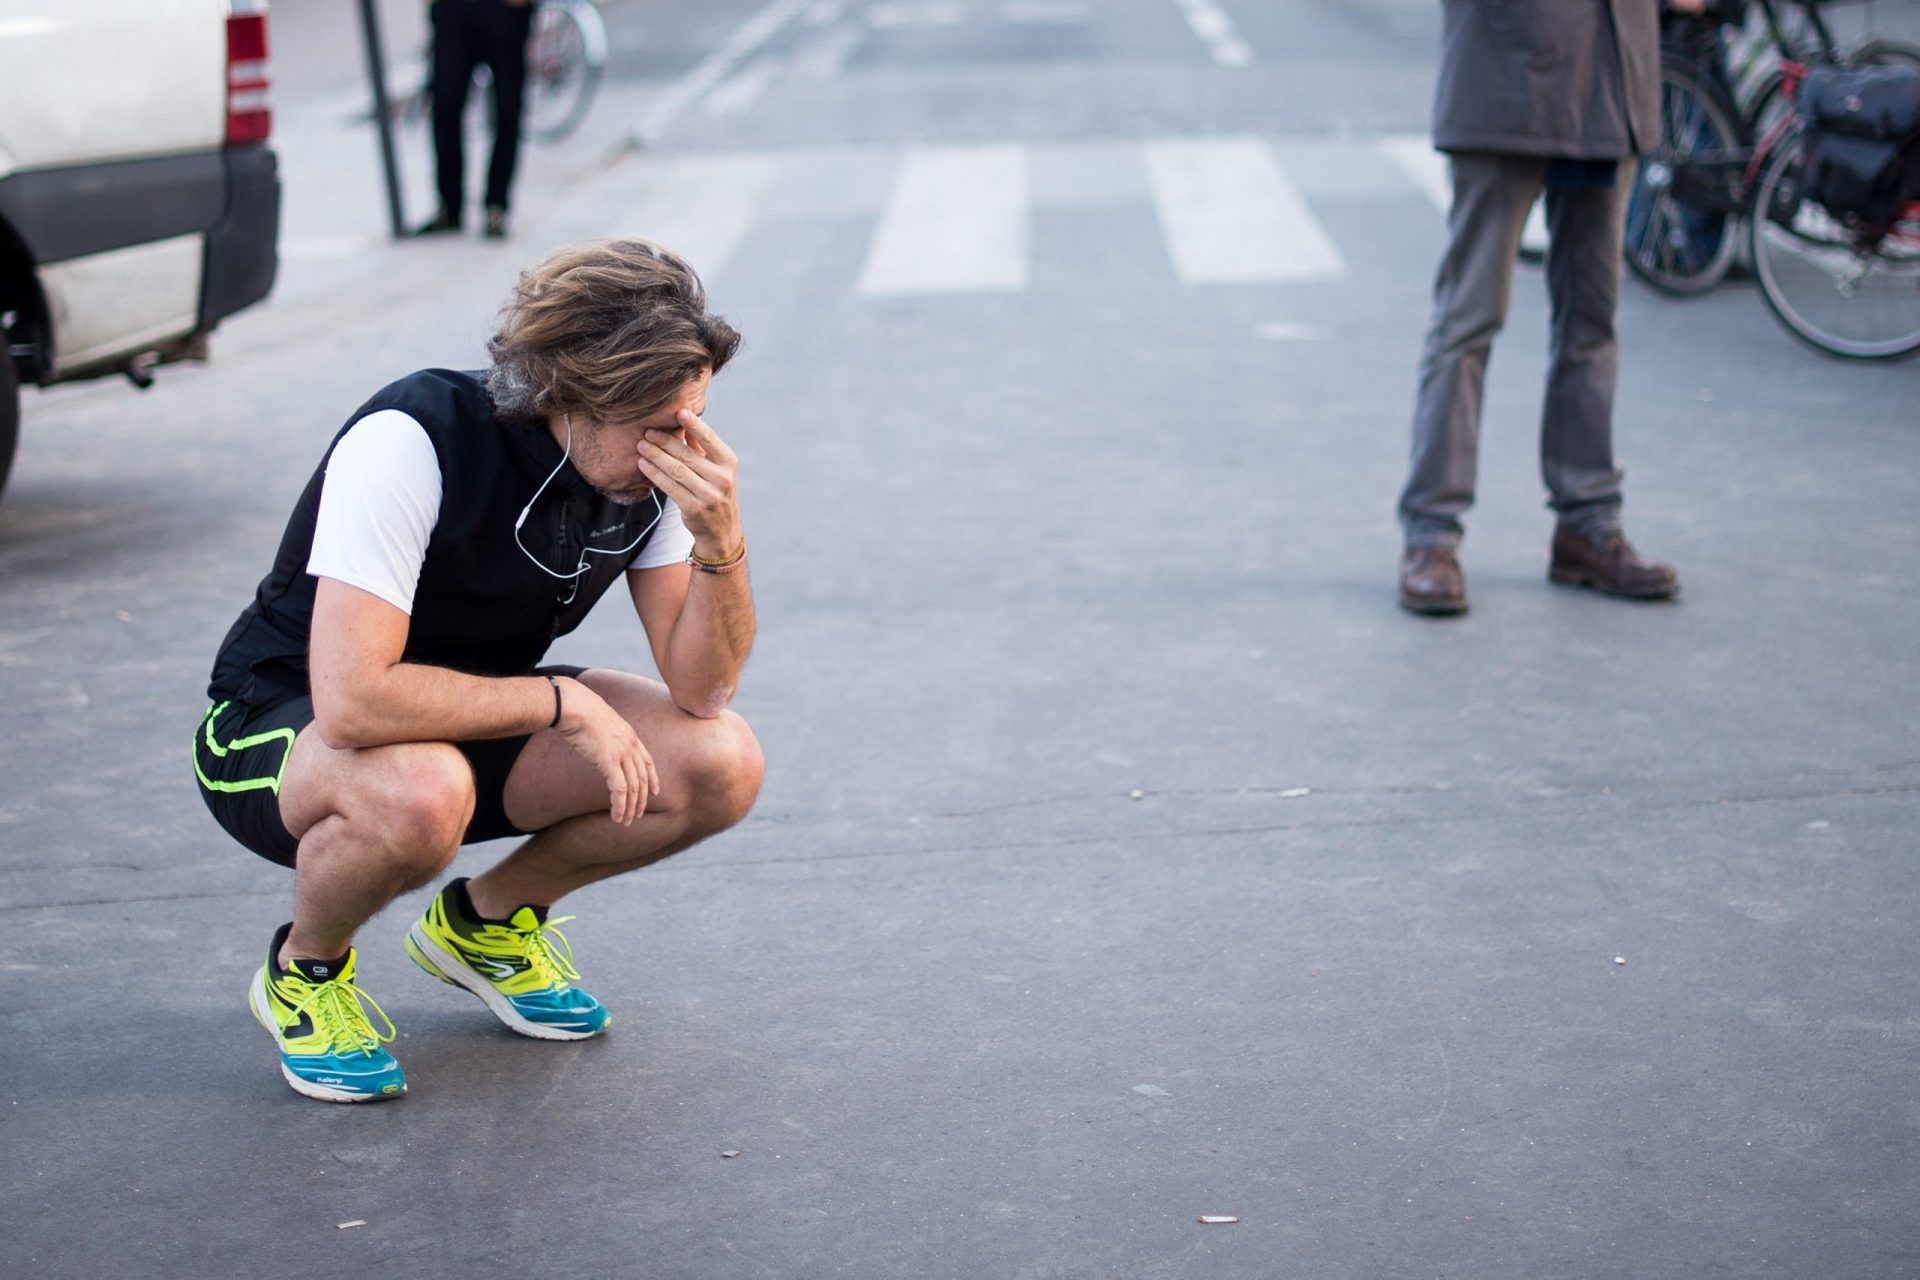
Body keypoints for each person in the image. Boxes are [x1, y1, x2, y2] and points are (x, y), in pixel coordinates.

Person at [193, 239, 764, 1102]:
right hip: (279, 724)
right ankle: (304, 969)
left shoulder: (647, 476)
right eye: (659, 424)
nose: (683, 444)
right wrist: (560, 701)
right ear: (571, 400)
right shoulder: (414, 439)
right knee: (420, 792)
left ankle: (484, 926)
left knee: (719, 761)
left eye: (693, 415)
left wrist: (723, 542)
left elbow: (702, 691)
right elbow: (351, 705)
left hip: (470, 723)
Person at [1396, 0, 1688, 616]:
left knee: (1592, 321)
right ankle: (1431, 533)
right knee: (1469, 321)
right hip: (1508, 78)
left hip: (1611, 84)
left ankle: (1588, 524)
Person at [416, 0, 536, 239]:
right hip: (455, 11)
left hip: (505, 10)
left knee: (507, 110)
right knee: (445, 105)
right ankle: (450, 206)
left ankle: (496, 206)